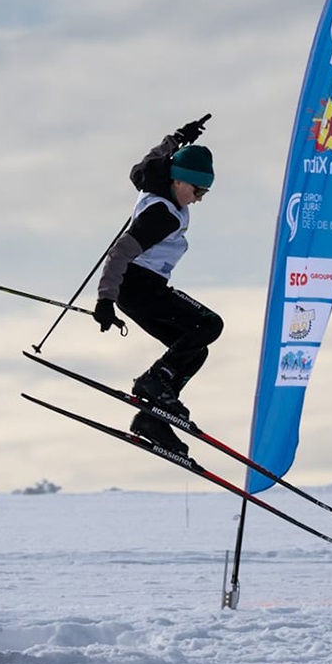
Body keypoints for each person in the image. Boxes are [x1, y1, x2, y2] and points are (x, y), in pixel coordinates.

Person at [91, 116, 223, 455]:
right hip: (139, 287)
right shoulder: (161, 215)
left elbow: (153, 159)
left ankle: (153, 420)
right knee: (209, 325)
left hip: (139, 290)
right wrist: (104, 299)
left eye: (204, 193)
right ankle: (153, 381)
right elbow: (119, 252)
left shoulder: (151, 179)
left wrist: (178, 137)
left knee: (195, 349)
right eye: (197, 190)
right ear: (178, 180)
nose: (198, 199)